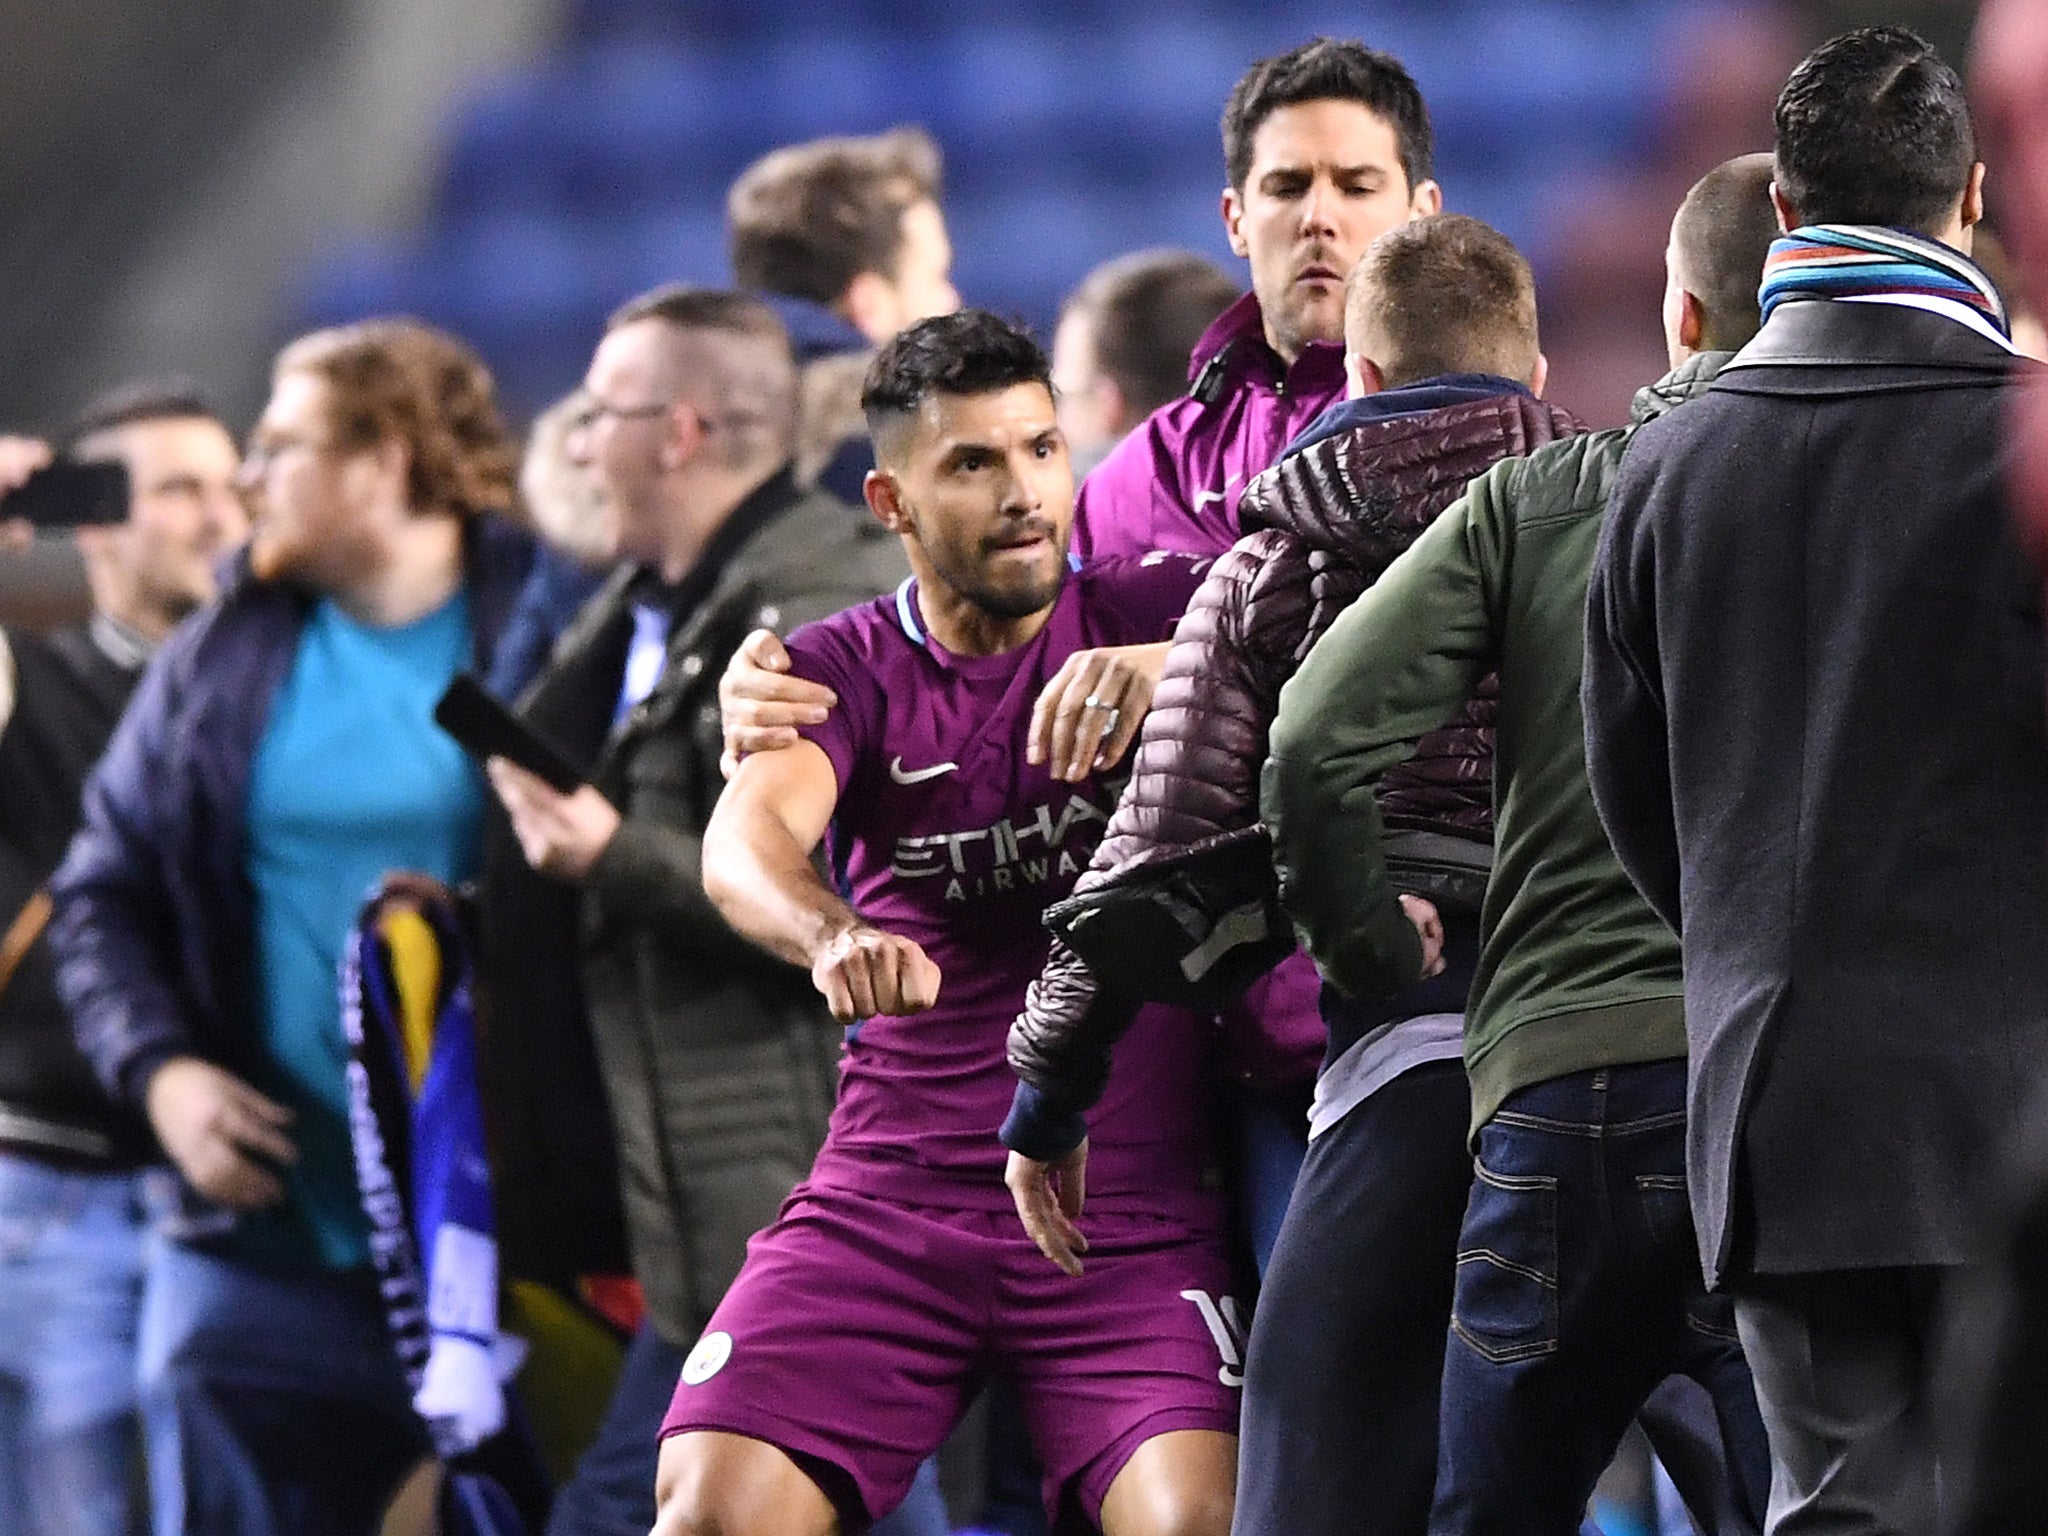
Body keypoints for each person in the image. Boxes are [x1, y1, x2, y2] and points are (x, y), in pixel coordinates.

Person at [720, 36, 1445, 1273]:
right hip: (1194, 1059)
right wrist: (787, 682)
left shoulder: (1465, 422)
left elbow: (1457, 662)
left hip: (1419, 1011)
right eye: (1285, 187)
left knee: (1498, 1430)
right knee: (1281, 1445)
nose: (1317, 216)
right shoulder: (1148, 463)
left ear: (1420, 209)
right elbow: (990, 636)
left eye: (1354, 183)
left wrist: (1182, 659)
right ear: (1233, 213)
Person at [1003, 212, 1581, 1536]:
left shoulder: (1275, 560)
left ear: (1361, 377)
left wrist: (1048, 1091)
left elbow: (1159, 846)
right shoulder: (1631, 520)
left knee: (1308, 1467)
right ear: (1538, 372)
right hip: (1658, 1076)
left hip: (1412, 1064)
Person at [1265, 157, 1783, 1536]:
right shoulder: (1870, 494)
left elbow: (1313, 745)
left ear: (1679, 318)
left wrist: (1370, 948)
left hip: (1550, 1089)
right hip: (1764, 1096)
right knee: (1813, 1505)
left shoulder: (1542, 501)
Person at [656, 311, 1237, 1536]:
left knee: (1205, 1525)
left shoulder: (1164, 606)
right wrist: (828, 933)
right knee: (707, 1513)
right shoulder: (842, 669)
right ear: (891, 500)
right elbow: (741, 841)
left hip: (1123, 1220)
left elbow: (1340, 629)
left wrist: (1169, 661)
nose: (1022, 492)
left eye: (1038, 450)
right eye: (971, 464)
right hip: (890, 1201)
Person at [1582, 30, 2048, 1530]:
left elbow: (1641, 809)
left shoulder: (1664, 465)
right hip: (2018, 1107)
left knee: (1838, 1510)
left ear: (1784, 212)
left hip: (1785, 1111)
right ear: (1973, 201)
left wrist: (1748, 943)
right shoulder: (2027, 444)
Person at [47, 320, 534, 1536]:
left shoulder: (545, 624)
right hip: (258, 1247)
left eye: (279, 446)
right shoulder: (225, 648)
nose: (245, 485)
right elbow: (103, 894)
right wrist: (163, 1078)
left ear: (384, 460)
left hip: (509, 1247)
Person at [480, 287, 922, 1536]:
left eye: (600, 415)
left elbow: (841, 908)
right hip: (697, 1188)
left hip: (792, 1175)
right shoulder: (639, 604)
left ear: (677, 432)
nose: (577, 445)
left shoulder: (824, 604)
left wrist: (612, 856)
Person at [0, 388, 244, 1536]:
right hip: (69, 1193)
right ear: (90, 520)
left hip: (257, 1195)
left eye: (232, 485)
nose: (218, 516)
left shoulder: (276, 690)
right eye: (177, 489)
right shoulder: (34, 683)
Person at [727, 125, 960, 504]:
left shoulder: (690, 416)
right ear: (868, 304)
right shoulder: (894, 467)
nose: (952, 300)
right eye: (936, 277)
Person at [1051, 250, 1241, 475]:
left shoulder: (1060, 500)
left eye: (1060, 395)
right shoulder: (1279, 485)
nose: (1055, 422)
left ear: (1110, 404)